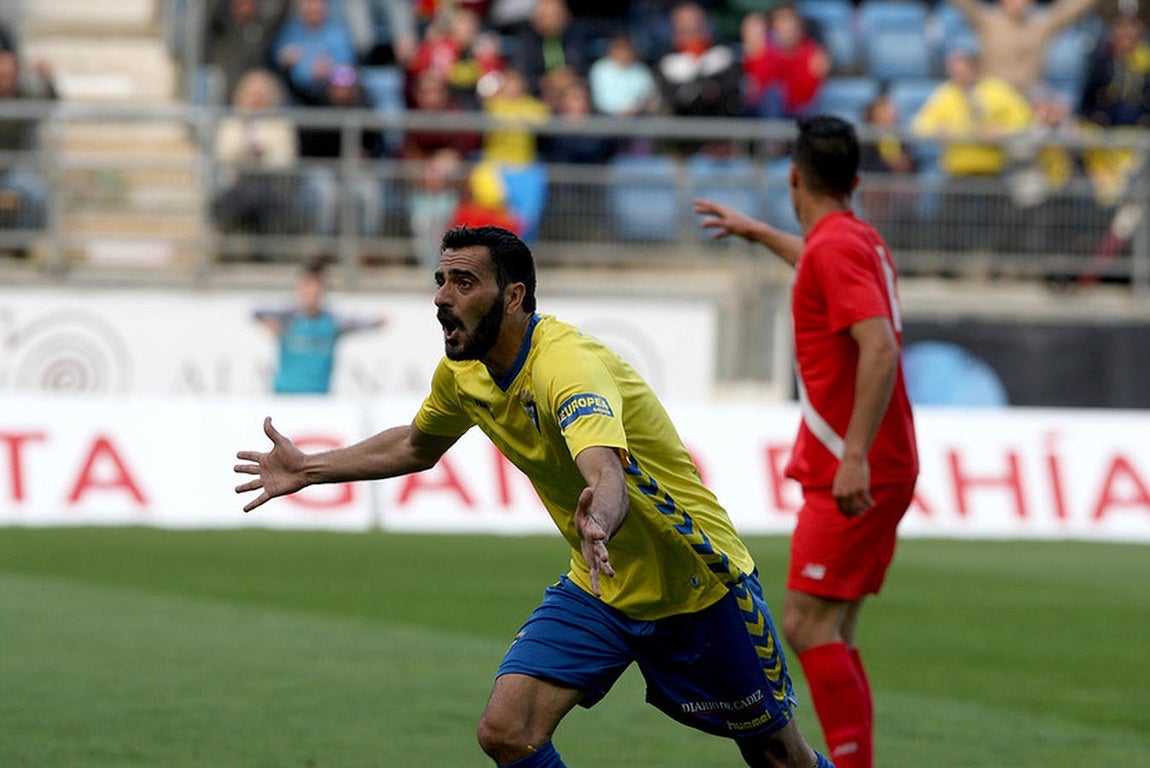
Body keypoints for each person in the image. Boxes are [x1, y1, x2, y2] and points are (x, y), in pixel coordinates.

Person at [234, 224, 835, 768]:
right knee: (507, 729)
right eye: (441, 280)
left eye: (464, 282)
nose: (443, 296)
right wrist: (309, 468)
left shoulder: (565, 366)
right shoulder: (463, 371)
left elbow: (605, 471)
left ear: (514, 296)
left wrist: (598, 521)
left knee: (781, 760)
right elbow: (419, 445)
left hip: (700, 584)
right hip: (600, 586)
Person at [694, 115, 919, 768]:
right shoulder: (854, 239)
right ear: (853, 180)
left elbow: (877, 344)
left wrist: (852, 456)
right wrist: (762, 234)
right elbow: (820, 266)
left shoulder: (836, 249)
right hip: (878, 457)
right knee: (834, 632)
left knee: (805, 625)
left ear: (794, 176)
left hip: (854, 463)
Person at [252, 259, 386, 394]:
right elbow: (256, 311)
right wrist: (268, 323)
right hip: (286, 397)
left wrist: (378, 321)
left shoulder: (333, 322)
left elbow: (359, 322)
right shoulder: (288, 318)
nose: (312, 293)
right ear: (300, 289)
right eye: (307, 287)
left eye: (316, 288)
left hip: (319, 400)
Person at [945, 0, 1099, 94]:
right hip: (991, 97)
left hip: (1029, 97)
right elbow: (964, 4)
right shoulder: (987, 21)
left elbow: (1072, 8)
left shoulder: (1042, 24)